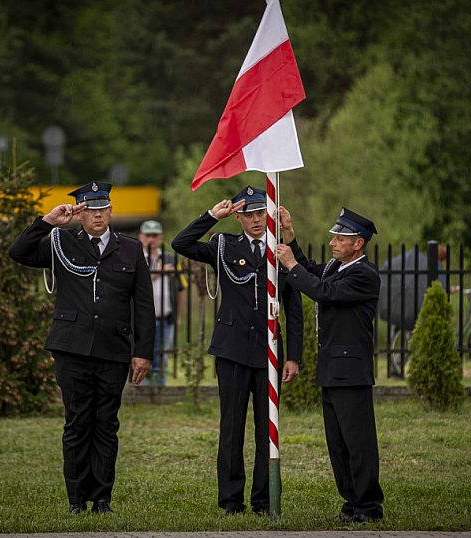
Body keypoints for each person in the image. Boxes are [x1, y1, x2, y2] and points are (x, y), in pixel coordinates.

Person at [8, 181, 155, 516]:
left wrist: (143, 352)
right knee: (76, 423)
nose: (97, 214)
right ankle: (76, 499)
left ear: (111, 210)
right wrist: (47, 221)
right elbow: (19, 252)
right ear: (79, 213)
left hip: (113, 349)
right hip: (72, 348)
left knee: (106, 423)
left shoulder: (130, 249)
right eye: (90, 209)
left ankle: (102, 498)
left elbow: (143, 305)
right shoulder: (61, 242)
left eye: (103, 208)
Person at [171, 186, 303, 516]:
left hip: (269, 351)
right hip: (231, 351)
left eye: (260, 213)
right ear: (239, 218)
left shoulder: (281, 250)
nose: (256, 220)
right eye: (248, 215)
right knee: (231, 427)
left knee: (266, 428)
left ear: (268, 214)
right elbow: (181, 244)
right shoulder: (223, 246)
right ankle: (231, 500)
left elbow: (294, 307)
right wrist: (213, 216)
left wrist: (294, 355)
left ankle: (263, 500)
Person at [275, 206, 384, 524]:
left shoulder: (364, 274)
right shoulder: (337, 267)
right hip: (332, 370)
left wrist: (291, 265)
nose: (333, 242)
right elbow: (312, 271)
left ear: (358, 243)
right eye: (334, 236)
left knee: (358, 442)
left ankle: (369, 505)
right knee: (338, 444)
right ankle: (351, 501)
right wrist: (291, 237)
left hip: (351, 371)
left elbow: (322, 291)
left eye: (341, 238)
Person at [137, 219, 186, 386]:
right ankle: (141, 390)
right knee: (142, 355)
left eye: (155, 235)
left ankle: (160, 388)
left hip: (165, 317)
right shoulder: (134, 257)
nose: (151, 239)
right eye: (147, 235)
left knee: (162, 355)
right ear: (141, 237)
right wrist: (157, 274)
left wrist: (178, 317)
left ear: (161, 237)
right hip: (141, 320)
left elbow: (181, 289)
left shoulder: (171, 258)